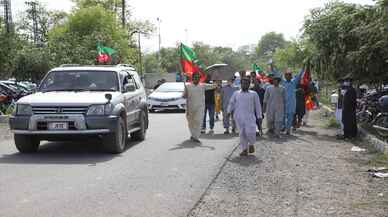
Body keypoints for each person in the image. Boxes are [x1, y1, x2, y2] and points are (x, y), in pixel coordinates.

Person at [228, 77, 262, 156]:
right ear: (241, 84)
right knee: (242, 133)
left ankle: (251, 144)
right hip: (238, 117)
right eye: (243, 83)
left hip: (250, 117)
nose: (244, 85)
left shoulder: (254, 94)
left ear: (249, 85)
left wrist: (259, 116)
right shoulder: (236, 93)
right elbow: (231, 103)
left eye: (246, 83)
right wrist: (228, 112)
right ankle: (244, 149)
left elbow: (258, 106)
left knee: (250, 132)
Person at [183, 72, 214, 143]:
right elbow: (184, 96)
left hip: (200, 107)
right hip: (190, 107)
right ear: (192, 78)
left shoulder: (202, 86)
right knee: (191, 122)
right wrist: (185, 94)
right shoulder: (188, 86)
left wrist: (217, 84)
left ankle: (196, 136)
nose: (196, 79)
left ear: (200, 78)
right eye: (195, 77)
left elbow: (212, 86)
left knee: (198, 121)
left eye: (198, 77)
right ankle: (193, 134)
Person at [281, 69, 303, 135]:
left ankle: (288, 130)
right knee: (283, 117)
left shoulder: (294, 82)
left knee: (290, 117)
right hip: (284, 103)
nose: (288, 76)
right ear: (285, 76)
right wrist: (272, 67)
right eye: (286, 75)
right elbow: (277, 74)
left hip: (291, 103)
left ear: (291, 76)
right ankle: (284, 126)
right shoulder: (283, 82)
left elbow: (299, 75)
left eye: (289, 75)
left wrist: (303, 68)